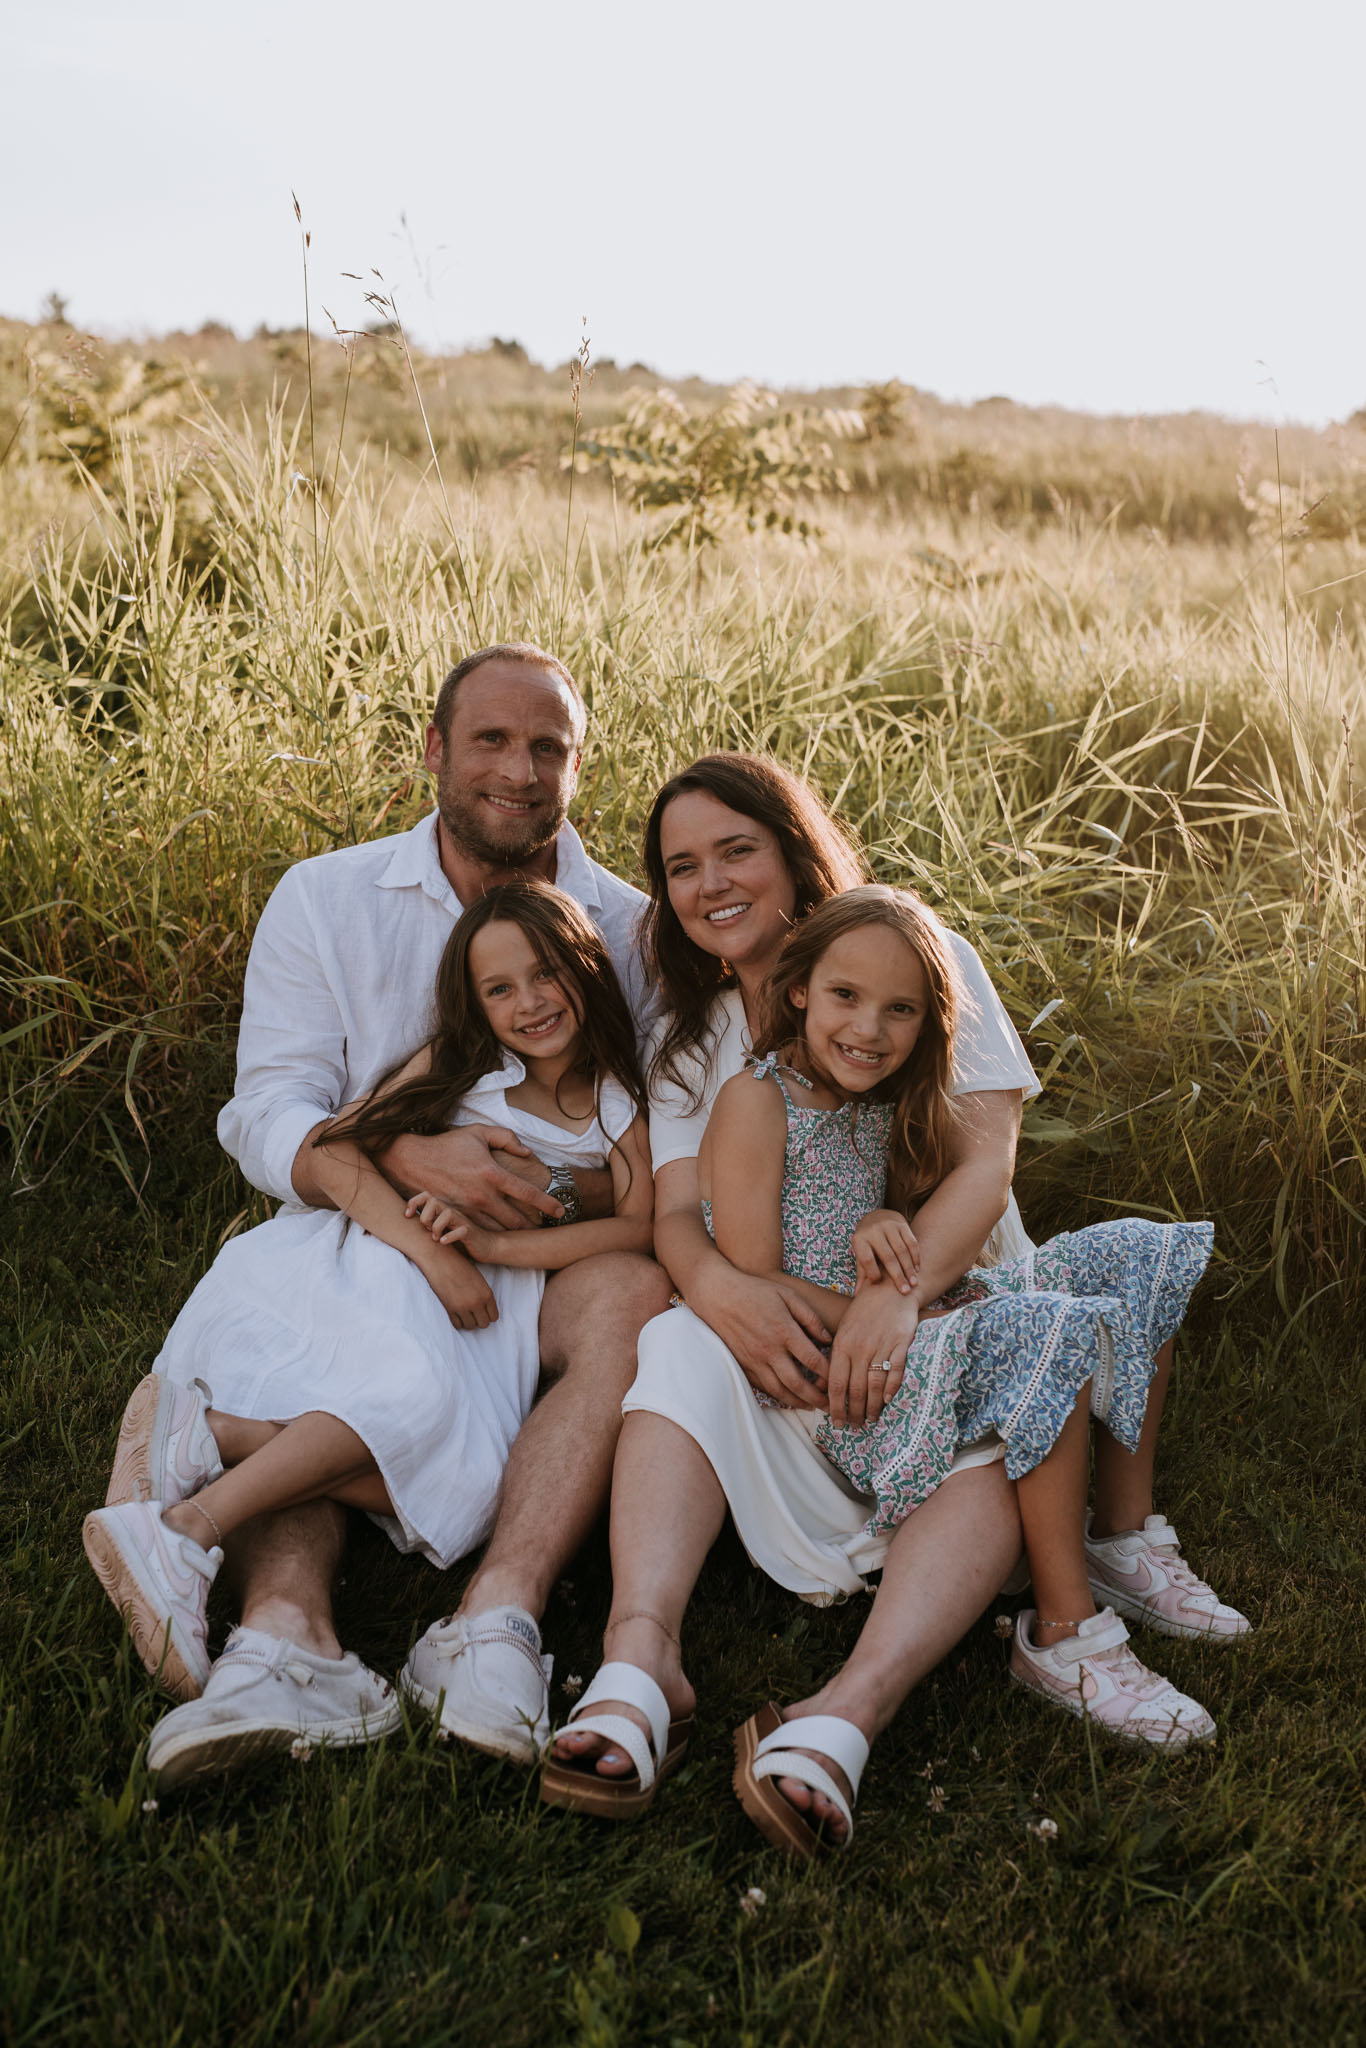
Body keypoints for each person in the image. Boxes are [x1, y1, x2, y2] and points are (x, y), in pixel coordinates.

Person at [543, 756, 1247, 1856]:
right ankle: (640, 1654)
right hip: (798, 1322)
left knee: (1056, 1329)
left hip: (943, 1295)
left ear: (793, 848)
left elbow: (984, 1163)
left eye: (738, 849)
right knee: (675, 1333)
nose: (710, 882)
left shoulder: (913, 948)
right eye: (680, 865)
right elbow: (680, 1217)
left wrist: (898, 1297)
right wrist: (727, 1287)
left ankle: (865, 1695)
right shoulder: (693, 1043)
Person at [97, 643, 671, 1786]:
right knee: (383, 1381)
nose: (519, 768)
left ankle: (494, 1615)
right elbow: (271, 1108)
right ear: (434, 752)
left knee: (631, 1298)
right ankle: (281, 1633)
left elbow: (669, 1151)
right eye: (492, 740)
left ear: (578, 765)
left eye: (547, 746)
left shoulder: (637, 931)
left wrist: (535, 1205)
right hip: (373, 1230)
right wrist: (409, 1153)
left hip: (545, 1262)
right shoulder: (326, 895)